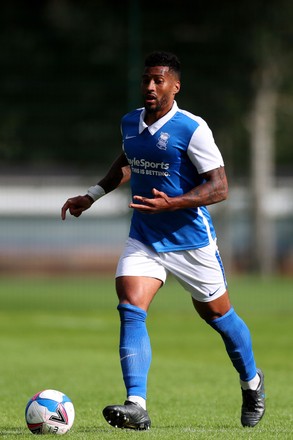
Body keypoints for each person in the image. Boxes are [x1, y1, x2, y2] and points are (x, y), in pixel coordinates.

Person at [61, 51, 265, 430]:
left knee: (218, 316)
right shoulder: (129, 122)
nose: (150, 87)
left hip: (190, 240)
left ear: (175, 85)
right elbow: (126, 162)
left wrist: (174, 202)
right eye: (146, 80)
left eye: (158, 80)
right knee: (130, 304)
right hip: (144, 237)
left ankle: (252, 382)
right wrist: (90, 195)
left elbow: (220, 188)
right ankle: (136, 404)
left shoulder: (192, 128)